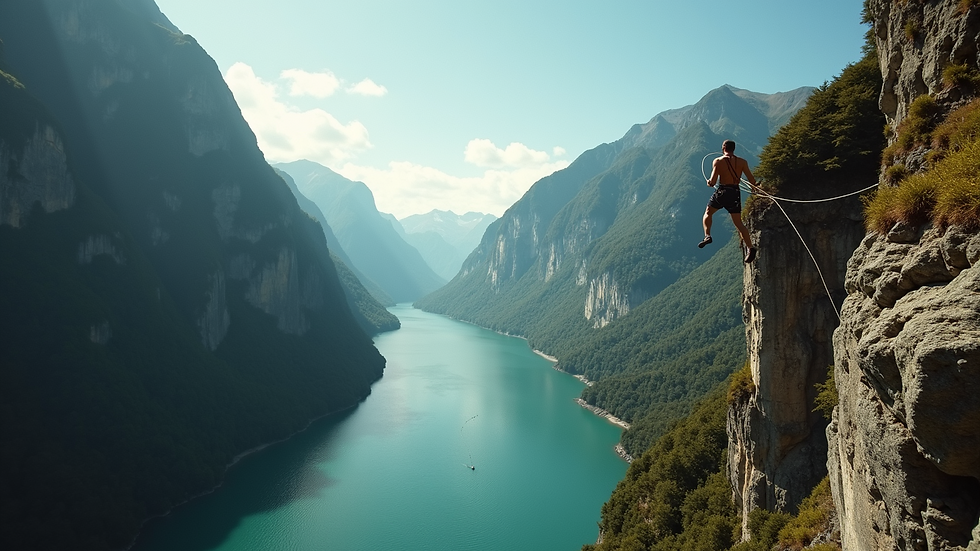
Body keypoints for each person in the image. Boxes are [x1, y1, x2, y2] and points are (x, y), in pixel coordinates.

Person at [699, 140, 757, 263]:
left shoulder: (718, 161)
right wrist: (755, 190)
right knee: (739, 223)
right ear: (734, 148)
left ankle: (707, 235)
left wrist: (709, 182)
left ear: (723, 148)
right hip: (735, 193)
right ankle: (750, 248)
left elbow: (713, 182)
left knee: (708, 212)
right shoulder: (742, 162)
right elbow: (751, 179)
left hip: (722, 192)